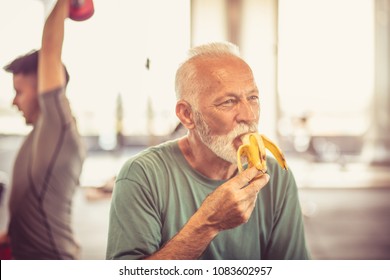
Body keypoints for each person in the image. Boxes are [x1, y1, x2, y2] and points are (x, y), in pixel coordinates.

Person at [106, 42, 310, 260]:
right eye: (228, 102)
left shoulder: (276, 177)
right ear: (187, 115)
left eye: (253, 98)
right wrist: (208, 224)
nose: (249, 116)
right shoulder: (142, 175)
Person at [2, 0, 86, 259]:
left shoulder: (57, 129)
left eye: (19, 92)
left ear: (42, 90)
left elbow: (50, 50)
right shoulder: (37, 136)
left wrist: (62, 4)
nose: (14, 101)